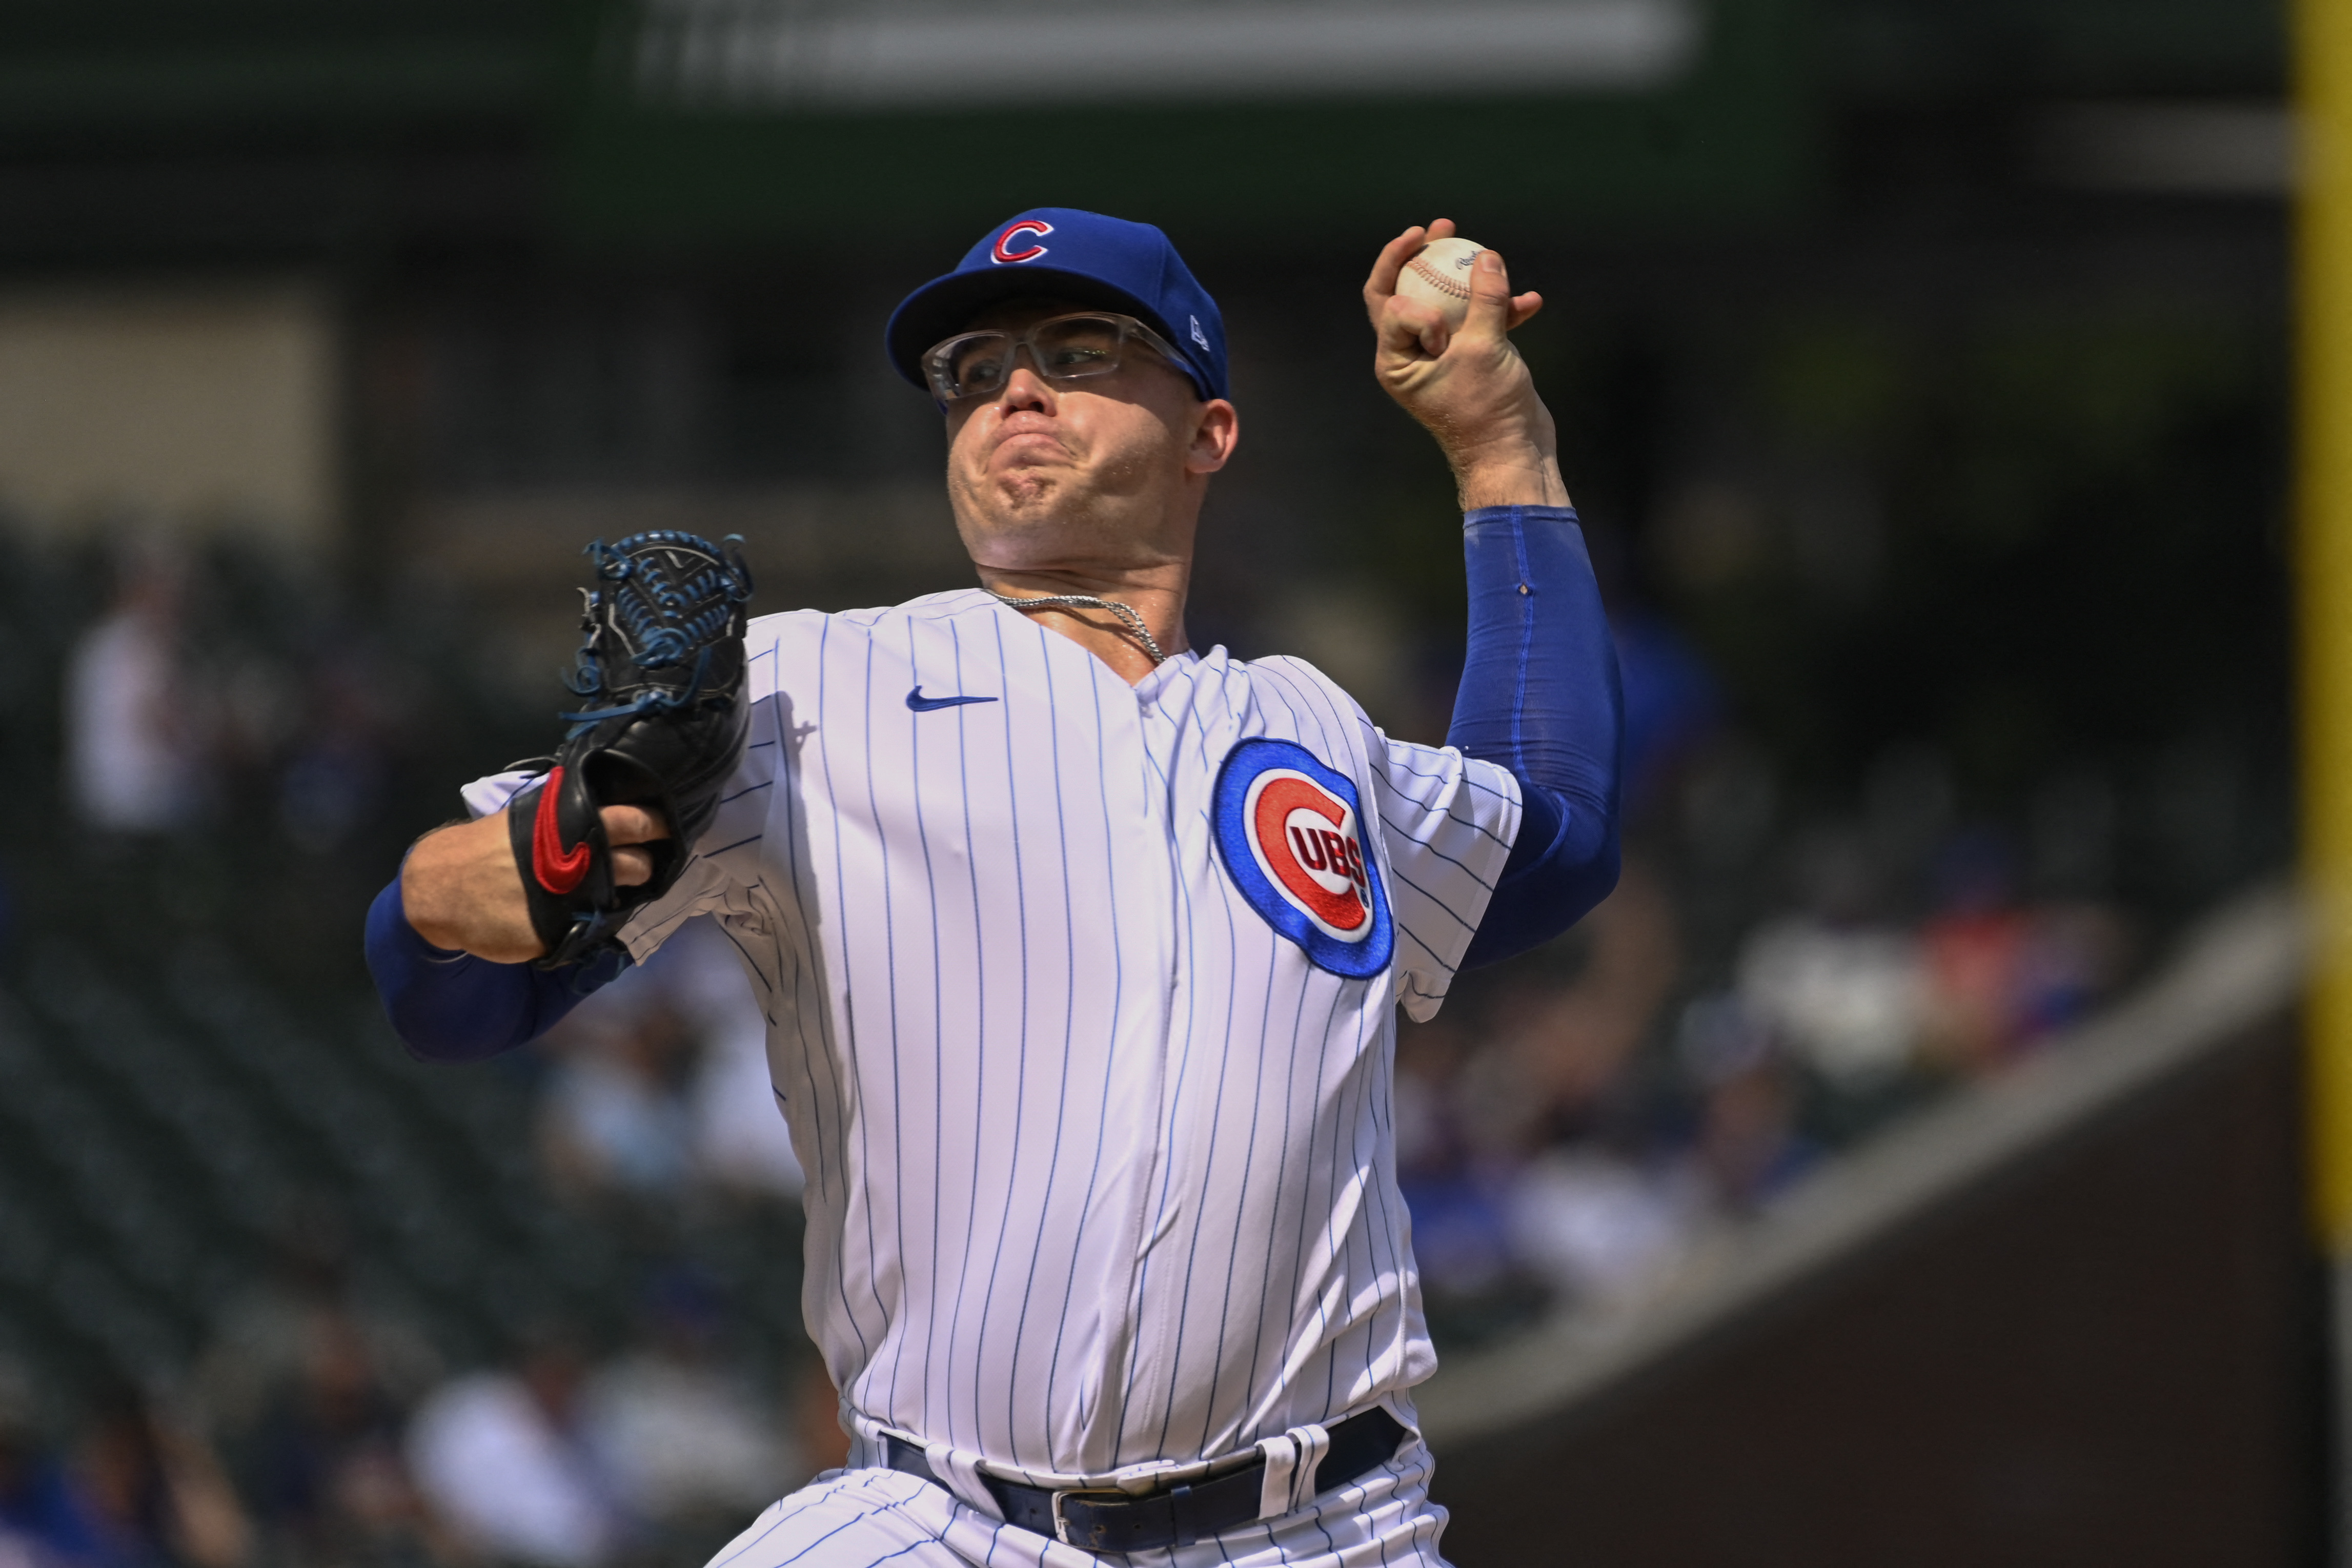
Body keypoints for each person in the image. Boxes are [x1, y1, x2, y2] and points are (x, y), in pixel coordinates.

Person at [366, 210, 1621, 1567]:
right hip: (948, 1524)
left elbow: (1554, 838)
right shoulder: (808, 691)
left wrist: (1498, 444)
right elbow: (440, 981)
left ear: (1210, 431)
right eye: (972, 371)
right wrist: (470, 892)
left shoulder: (1314, 731)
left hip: (1323, 1531)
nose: (1012, 387)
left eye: (1081, 351)